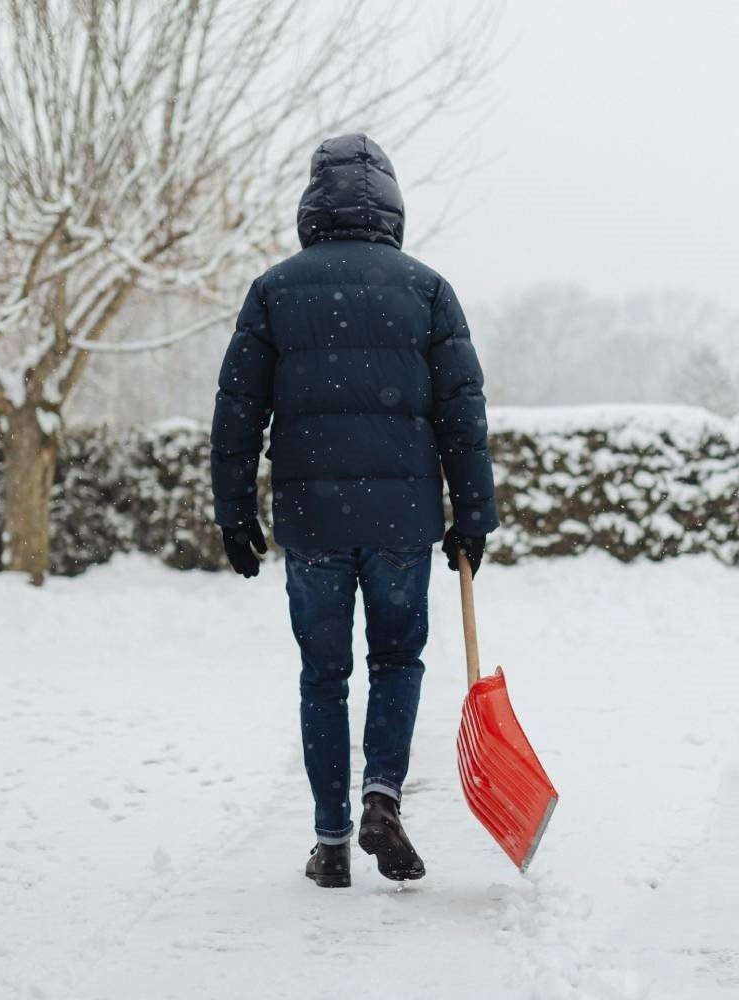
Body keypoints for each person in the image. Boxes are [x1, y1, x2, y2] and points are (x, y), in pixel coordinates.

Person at [209, 134, 498, 888]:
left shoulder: (274, 290)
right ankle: (382, 796)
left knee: (324, 675)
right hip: (402, 520)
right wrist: (473, 515)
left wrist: (233, 511)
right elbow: (462, 415)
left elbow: (237, 413)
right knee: (397, 659)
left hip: (314, 520)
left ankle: (332, 840)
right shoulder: (428, 290)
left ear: (312, 202)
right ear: (393, 205)